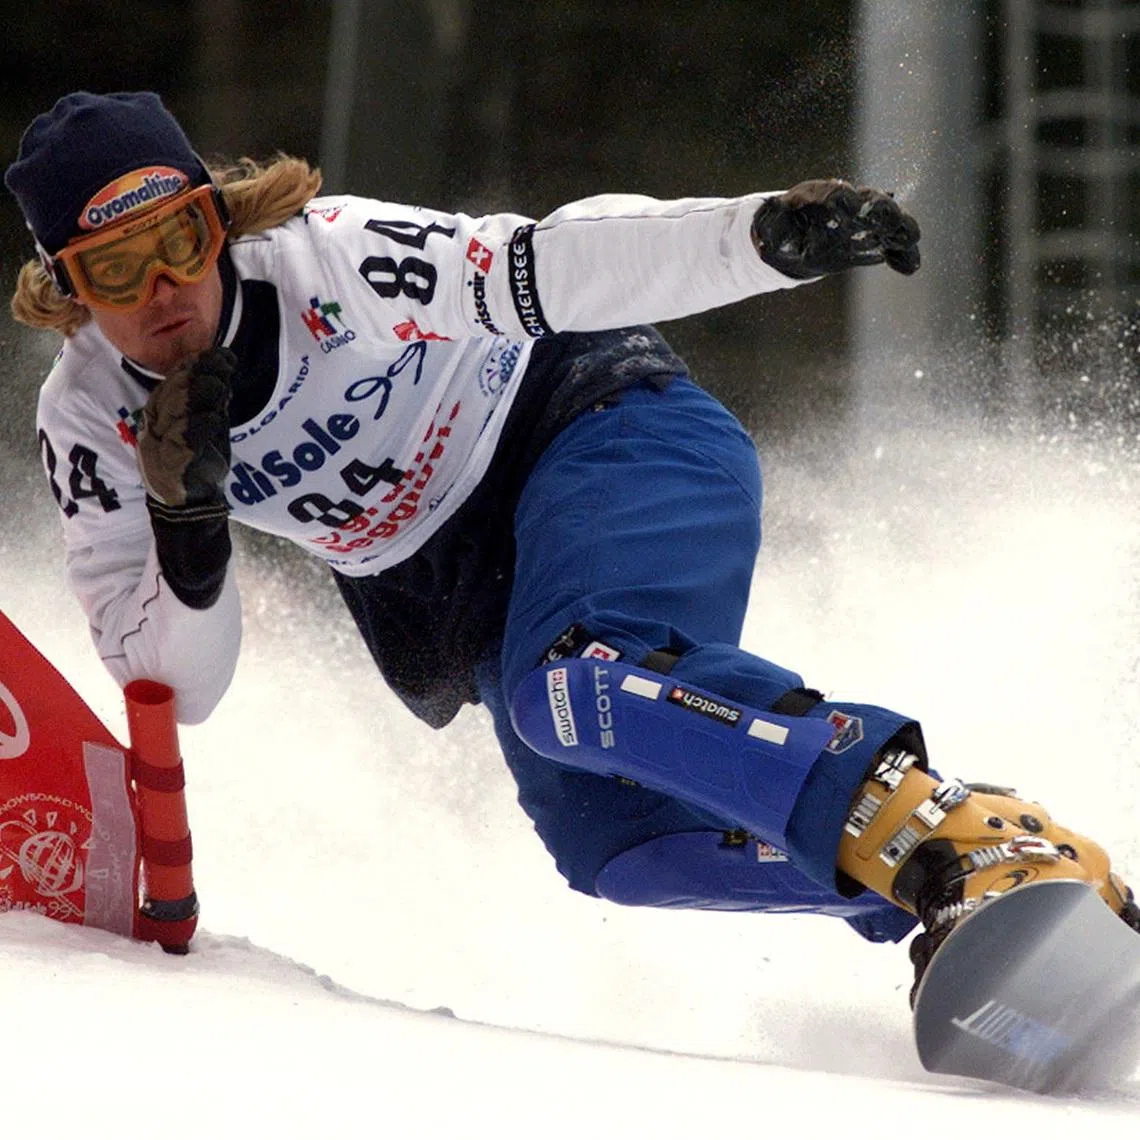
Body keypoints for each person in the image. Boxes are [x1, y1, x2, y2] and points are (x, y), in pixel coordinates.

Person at [7, 91, 1138, 997]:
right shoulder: (90, 422)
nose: (166, 290)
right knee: (617, 851)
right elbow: (179, 687)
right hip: (470, 588)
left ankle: (962, 835)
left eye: (184, 239)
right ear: (66, 291)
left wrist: (757, 237)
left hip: (598, 429)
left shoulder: (330, 262)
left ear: (221, 221)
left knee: (573, 686)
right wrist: (190, 537)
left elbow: (553, 266)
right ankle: (932, 884)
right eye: (116, 268)